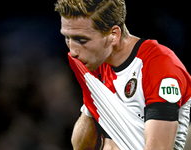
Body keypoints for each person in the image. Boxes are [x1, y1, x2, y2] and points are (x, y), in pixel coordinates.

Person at [55, 0, 191, 149]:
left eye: (82, 40)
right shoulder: (98, 65)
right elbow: (81, 147)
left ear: (114, 35)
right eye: (68, 38)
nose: (73, 51)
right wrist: (92, 97)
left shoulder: (159, 66)